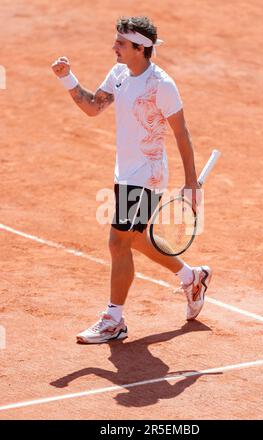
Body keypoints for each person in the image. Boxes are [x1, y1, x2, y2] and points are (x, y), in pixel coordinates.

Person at [51, 16, 212, 344]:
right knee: (135, 239)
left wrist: (191, 182)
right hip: (124, 171)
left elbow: (181, 133)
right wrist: (68, 78)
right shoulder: (120, 73)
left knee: (117, 242)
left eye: (121, 44)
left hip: (147, 175)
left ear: (141, 48)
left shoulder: (162, 85)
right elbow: (94, 107)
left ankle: (114, 320)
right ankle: (192, 277)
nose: (114, 48)